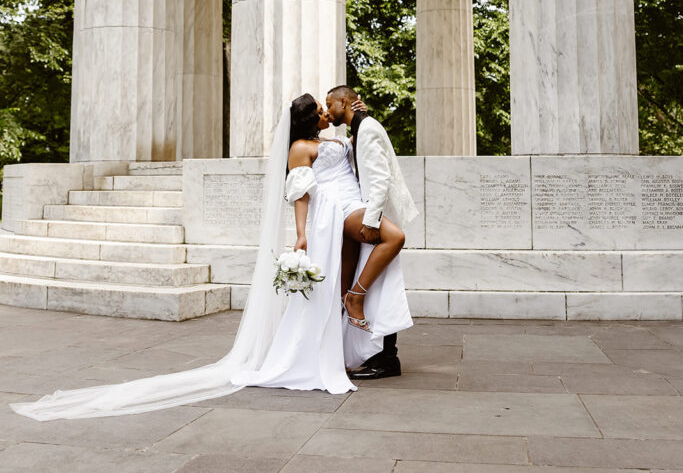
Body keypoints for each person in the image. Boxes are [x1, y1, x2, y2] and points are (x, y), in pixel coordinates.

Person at [8, 94, 410, 421]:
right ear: (308, 121)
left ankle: (344, 344)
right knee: (349, 274)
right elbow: (301, 194)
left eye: (328, 109)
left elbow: (363, 153)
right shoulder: (300, 148)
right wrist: (302, 235)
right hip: (327, 217)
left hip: (348, 207)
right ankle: (323, 343)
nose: (326, 114)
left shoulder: (333, 140)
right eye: (321, 111)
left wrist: (360, 119)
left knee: (340, 282)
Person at [326, 85, 418, 380]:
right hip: (370, 216)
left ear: (344, 102)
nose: (328, 112)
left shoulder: (366, 129)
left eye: (330, 105)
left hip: (375, 219)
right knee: (382, 290)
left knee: (385, 289)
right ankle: (382, 357)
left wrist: (371, 220)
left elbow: (379, 180)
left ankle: (387, 360)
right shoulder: (361, 129)